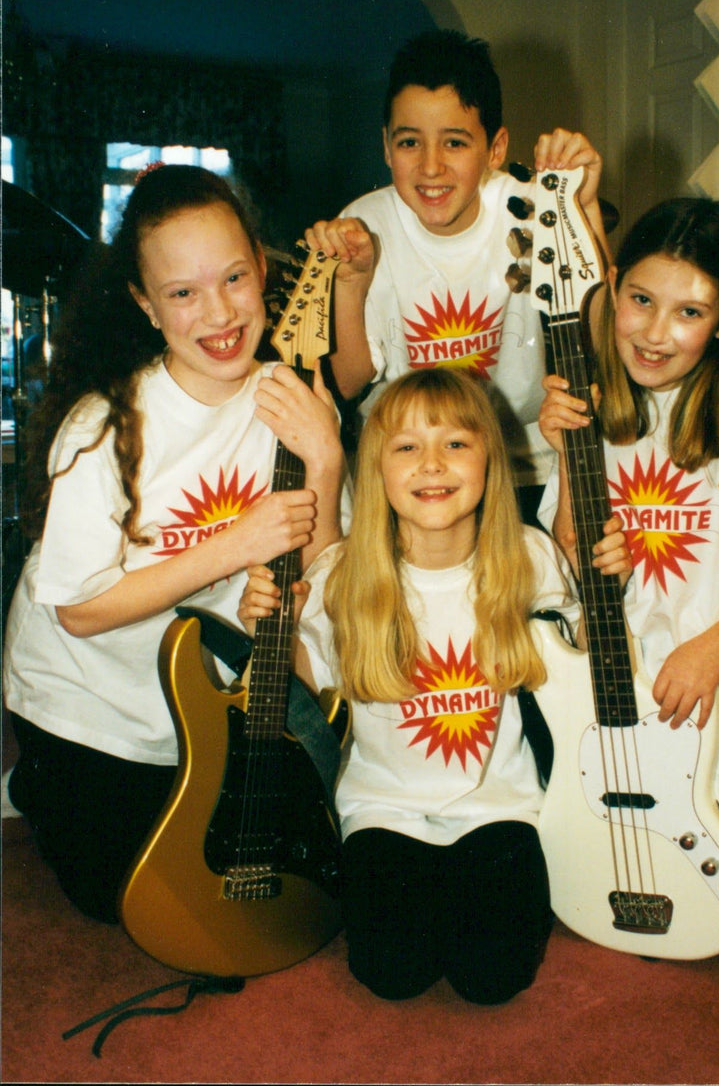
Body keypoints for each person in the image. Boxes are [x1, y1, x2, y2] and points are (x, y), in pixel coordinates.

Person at [2, 163, 347, 924]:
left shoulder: (290, 399)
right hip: (86, 697)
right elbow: (80, 612)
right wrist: (235, 545)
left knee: (276, 870)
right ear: (146, 305)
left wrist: (326, 458)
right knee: (127, 902)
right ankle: (36, 779)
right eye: (183, 293)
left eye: (233, 278)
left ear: (262, 270)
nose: (218, 313)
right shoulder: (105, 425)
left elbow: (326, 569)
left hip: (204, 695)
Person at [239, 366, 629, 1002]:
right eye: (406, 447)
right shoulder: (343, 572)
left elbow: (582, 669)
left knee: (492, 980)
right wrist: (268, 632)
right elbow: (305, 692)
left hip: (501, 808)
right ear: (376, 469)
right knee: (391, 973)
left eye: (455, 443)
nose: (431, 464)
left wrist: (607, 588)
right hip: (383, 810)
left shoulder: (529, 556)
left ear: (489, 460)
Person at [537, 196, 719, 943]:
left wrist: (708, 651)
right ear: (613, 288)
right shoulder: (596, 400)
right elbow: (568, 557)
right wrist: (566, 452)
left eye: (689, 313)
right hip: (628, 699)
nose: (655, 334)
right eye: (642, 300)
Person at [304, 28, 611, 504]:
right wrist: (350, 283)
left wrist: (583, 209)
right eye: (410, 142)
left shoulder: (533, 206)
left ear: (496, 148)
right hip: (404, 476)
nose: (431, 167)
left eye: (454, 143)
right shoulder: (364, 224)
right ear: (386, 146)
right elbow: (347, 381)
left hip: (522, 467)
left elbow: (602, 340)